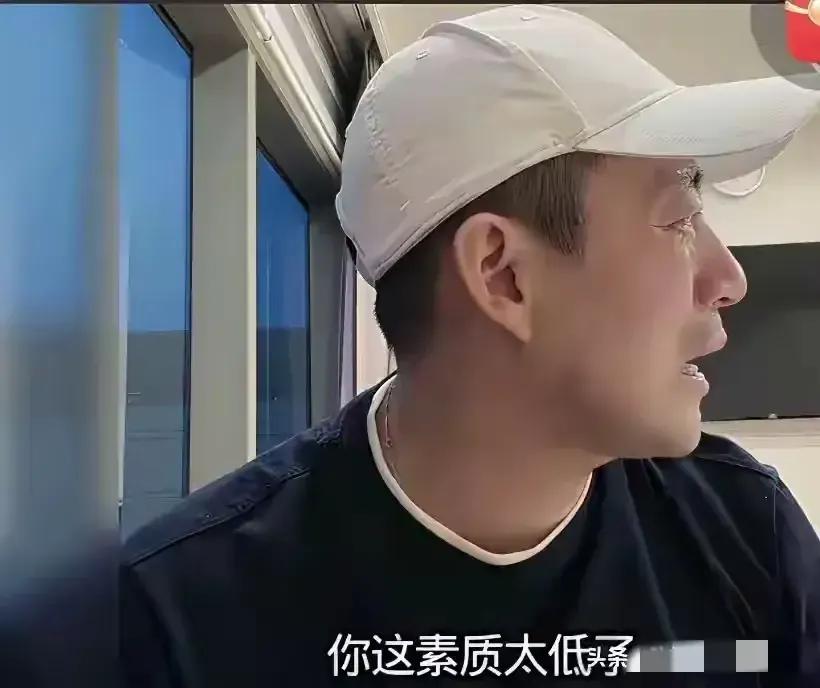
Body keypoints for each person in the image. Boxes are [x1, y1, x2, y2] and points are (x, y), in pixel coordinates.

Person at [121, 5, 820, 686]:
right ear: (503, 275)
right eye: (681, 219)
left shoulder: (747, 537)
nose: (729, 280)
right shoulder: (180, 620)